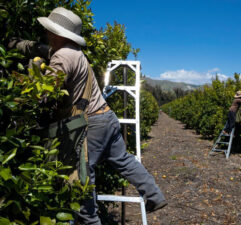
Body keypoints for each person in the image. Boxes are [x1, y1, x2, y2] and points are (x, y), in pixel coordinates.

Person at [10, 7, 166, 225]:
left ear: (57, 34)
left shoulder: (62, 57)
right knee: (123, 159)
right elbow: (41, 49)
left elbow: (43, 94)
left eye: (49, 31)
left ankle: (90, 220)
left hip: (91, 123)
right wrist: (18, 44)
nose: (46, 34)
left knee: (81, 177)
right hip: (107, 117)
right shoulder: (72, 52)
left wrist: (32, 71)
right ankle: (155, 195)